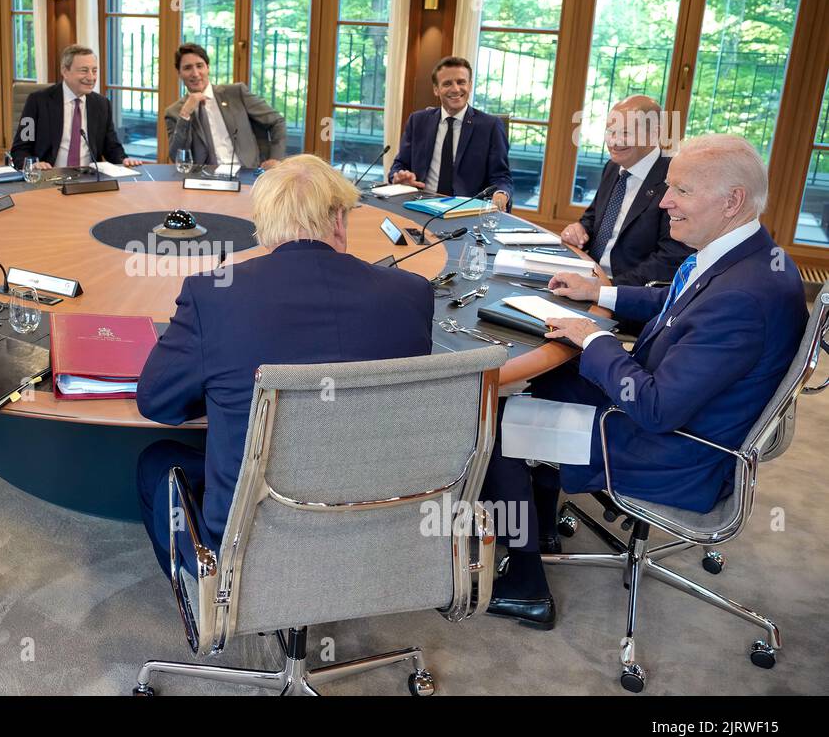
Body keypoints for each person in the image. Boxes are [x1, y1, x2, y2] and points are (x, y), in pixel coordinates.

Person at [481, 135, 807, 629]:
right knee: (542, 379)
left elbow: (655, 408)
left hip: (675, 449)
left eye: (681, 190)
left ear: (732, 200)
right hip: (677, 407)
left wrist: (593, 339)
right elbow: (678, 308)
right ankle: (541, 526)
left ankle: (525, 585)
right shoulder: (749, 255)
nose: (666, 201)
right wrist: (602, 293)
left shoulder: (744, 298)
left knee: (494, 420)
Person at [134, 154, 435, 574]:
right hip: (378, 520)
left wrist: (223, 394)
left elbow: (156, 404)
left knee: (157, 461)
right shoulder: (412, 294)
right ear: (338, 219)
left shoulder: (213, 296)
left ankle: (208, 598)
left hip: (253, 540)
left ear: (263, 226)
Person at [559, 95, 690, 286]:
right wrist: (579, 229)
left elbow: (670, 258)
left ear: (654, 133)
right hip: (588, 274)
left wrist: (608, 289)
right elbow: (593, 217)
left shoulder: (675, 180)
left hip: (627, 289)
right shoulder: (613, 167)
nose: (614, 141)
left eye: (626, 133)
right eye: (610, 131)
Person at [388, 56, 512, 212]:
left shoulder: (490, 126)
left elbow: (501, 177)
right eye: (447, 83)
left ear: (470, 85)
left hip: (466, 210)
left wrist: (501, 194)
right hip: (421, 205)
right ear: (436, 89)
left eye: (461, 82)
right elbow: (400, 165)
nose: (455, 89)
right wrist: (398, 177)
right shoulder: (417, 120)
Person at [10, 44, 145, 170]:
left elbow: (112, 147)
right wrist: (34, 165)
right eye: (84, 71)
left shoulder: (102, 104)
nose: (91, 77)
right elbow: (20, 149)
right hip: (48, 178)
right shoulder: (38, 101)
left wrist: (123, 160)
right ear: (65, 71)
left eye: (94, 70)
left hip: (90, 179)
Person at [163, 42, 287, 173]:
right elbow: (176, 157)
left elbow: (277, 121)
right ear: (179, 73)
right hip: (203, 179)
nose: (195, 73)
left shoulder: (235, 93)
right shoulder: (175, 112)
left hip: (246, 172)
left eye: (199, 66)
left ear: (207, 68)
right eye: (187, 68)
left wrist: (275, 159)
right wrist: (185, 114)